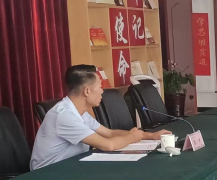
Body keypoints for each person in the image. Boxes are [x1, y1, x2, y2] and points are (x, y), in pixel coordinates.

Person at [30, 65, 170, 170]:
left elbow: (109, 133)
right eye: (100, 87)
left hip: (70, 167)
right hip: (47, 174)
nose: (102, 91)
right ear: (87, 91)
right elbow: (108, 145)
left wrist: (149, 136)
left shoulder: (79, 112)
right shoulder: (65, 116)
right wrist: (133, 137)